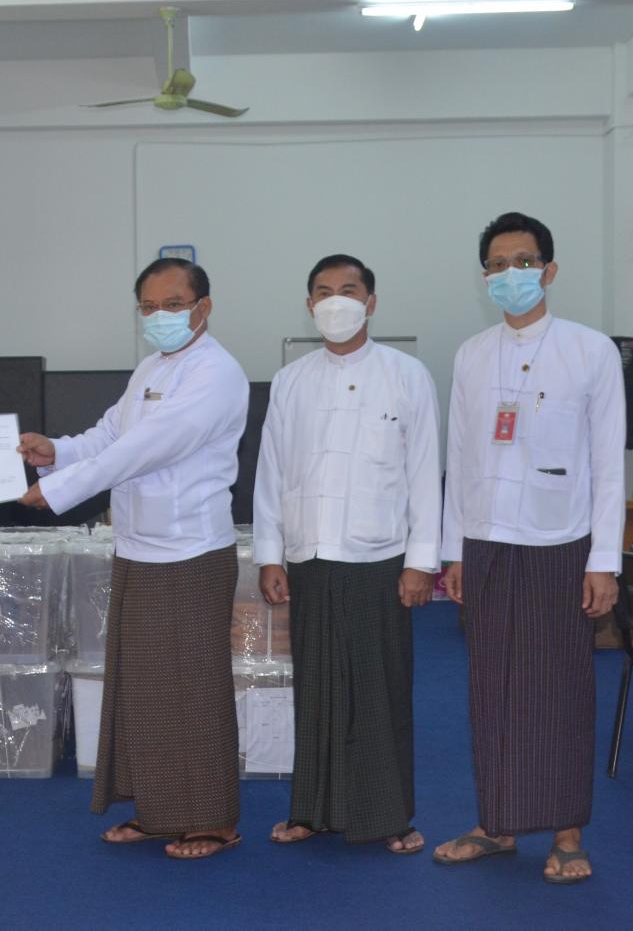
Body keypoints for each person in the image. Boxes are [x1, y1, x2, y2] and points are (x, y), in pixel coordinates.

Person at [16, 257, 249, 861]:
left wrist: (61, 489)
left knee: (193, 686)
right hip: (139, 546)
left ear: (203, 307)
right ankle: (160, 809)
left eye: (173, 304)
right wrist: (56, 451)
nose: (159, 315)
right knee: (145, 687)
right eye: (148, 306)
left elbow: (146, 448)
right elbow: (110, 435)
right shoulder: (151, 367)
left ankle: (212, 819)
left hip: (191, 550)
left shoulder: (217, 373)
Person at [432, 212, 623, 885]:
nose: (509, 273)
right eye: (496, 264)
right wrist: (454, 550)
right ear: (484, 276)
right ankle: (497, 824)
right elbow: (459, 455)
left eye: (523, 261)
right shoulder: (471, 355)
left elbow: (609, 466)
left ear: (549, 269)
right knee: (491, 689)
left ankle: (567, 834)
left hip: (559, 542)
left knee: (561, 690)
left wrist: (604, 560)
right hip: (486, 542)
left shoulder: (590, 351)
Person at [253, 254, 440, 855]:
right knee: (315, 690)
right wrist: (269, 554)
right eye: (324, 291)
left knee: (379, 691)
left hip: (380, 558)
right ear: (310, 305)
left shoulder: (407, 375)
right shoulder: (291, 380)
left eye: (349, 290)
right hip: (309, 556)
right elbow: (271, 473)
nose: (336, 301)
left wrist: (421, 561)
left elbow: (423, 472)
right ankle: (311, 811)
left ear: (371, 303)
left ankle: (389, 817)